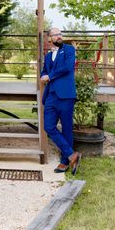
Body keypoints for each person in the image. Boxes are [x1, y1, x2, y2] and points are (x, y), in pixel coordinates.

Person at [41, 27, 81, 174]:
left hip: (66, 95)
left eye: (60, 34)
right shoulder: (47, 56)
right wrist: (43, 75)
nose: (58, 36)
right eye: (55, 35)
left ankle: (64, 162)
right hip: (51, 95)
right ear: (49, 38)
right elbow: (44, 71)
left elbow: (67, 67)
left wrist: (50, 76)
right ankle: (72, 155)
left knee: (66, 128)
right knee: (49, 126)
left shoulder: (69, 50)